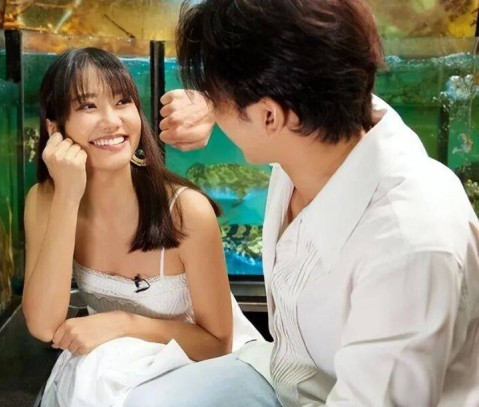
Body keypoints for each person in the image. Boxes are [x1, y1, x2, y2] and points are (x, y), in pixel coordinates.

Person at [151, 0, 479, 405]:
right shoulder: (321, 128)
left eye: (218, 97)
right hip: (285, 381)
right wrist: (213, 106)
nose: (213, 106)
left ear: (269, 116)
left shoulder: (410, 247)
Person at [21, 47, 279, 407]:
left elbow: (216, 344)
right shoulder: (45, 200)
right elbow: (44, 325)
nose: (112, 120)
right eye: (88, 106)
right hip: (115, 372)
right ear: (54, 128)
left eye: (122, 102)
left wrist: (121, 324)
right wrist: (68, 195)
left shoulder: (186, 211)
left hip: (204, 373)